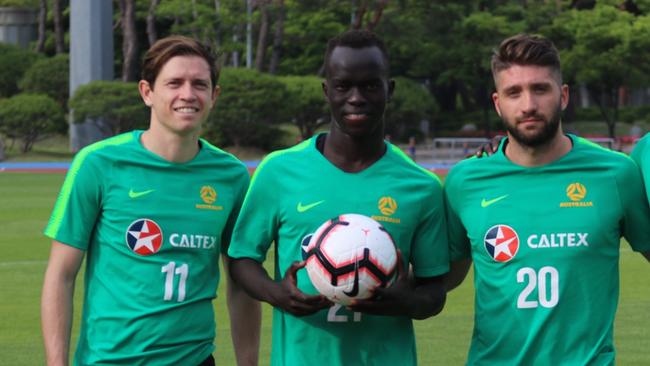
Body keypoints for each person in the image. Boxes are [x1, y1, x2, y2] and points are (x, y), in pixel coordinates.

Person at [227, 30, 449, 365]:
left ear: (389, 91)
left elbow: (435, 290)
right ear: (326, 90)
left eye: (370, 85)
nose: (356, 97)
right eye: (344, 85)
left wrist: (408, 302)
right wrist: (279, 295)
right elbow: (242, 259)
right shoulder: (278, 171)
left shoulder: (422, 186)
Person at [41, 36, 260, 366]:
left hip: (196, 360)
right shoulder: (99, 164)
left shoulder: (231, 176)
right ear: (147, 92)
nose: (188, 94)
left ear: (213, 96)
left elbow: (241, 283)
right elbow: (61, 274)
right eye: (174, 83)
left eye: (199, 84)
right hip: (110, 361)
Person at [444, 34, 650, 364]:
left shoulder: (616, 174)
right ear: (498, 103)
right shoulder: (464, 181)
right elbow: (445, 276)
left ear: (563, 95)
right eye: (514, 92)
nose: (528, 105)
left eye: (540, 89)